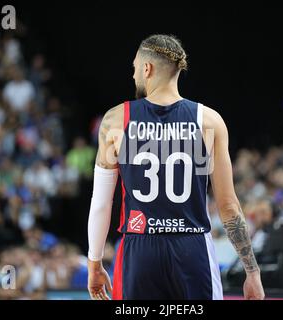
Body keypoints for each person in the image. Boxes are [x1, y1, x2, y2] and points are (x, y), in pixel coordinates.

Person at [86, 34, 264, 300]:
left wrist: (95, 264)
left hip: (139, 247)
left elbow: (101, 204)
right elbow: (228, 206)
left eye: (135, 67)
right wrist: (252, 272)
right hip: (192, 248)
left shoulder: (115, 120)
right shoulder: (209, 121)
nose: (134, 75)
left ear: (147, 68)